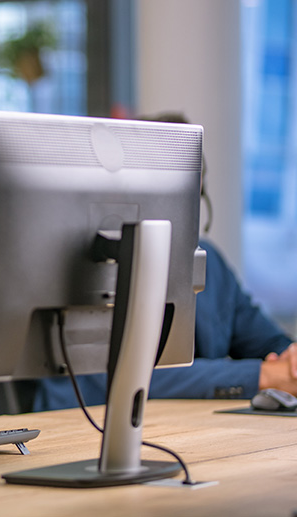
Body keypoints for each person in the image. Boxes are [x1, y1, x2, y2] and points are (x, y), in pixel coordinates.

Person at [25, 112, 297, 411]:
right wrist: (260, 375)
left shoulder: (210, 262)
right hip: (80, 430)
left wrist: (290, 360)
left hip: (194, 433)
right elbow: (106, 377)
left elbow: (267, 340)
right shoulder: (88, 266)